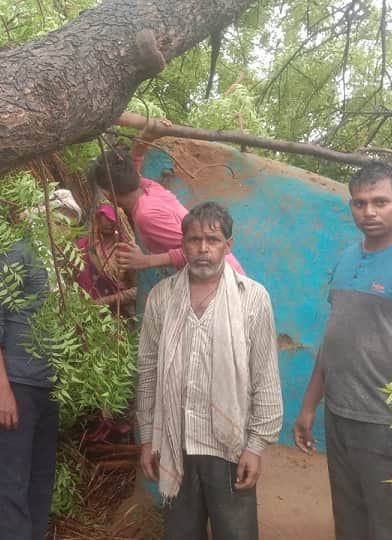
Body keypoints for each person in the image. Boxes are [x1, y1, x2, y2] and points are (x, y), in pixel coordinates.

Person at [292, 162, 392, 540]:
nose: (370, 212)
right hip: (340, 416)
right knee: (348, 521)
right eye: (360, 203)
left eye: (381, 201)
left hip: (387, 423)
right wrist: (310, 405)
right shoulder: (347, 259)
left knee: (387, 526)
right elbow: (334, 339)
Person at [136, 201, 283, 540]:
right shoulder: (162, 297)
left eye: (213, 240)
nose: (203, 249)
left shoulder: (253, 298)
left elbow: (265, 376)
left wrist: (256, 447)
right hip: (176, 444)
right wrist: (147, 438)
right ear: (182, 245)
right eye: (194, 240)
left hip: (229, 447)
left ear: (228, 246)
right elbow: (147, 371)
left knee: (236, 533)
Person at [0, 198, 80, 540]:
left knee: (40, 476)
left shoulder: (60, 266)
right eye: (59, 218)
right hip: (15, 385)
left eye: (70, 221)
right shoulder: (18, 255)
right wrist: (2, 390)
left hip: (46, 388)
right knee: (12, 480)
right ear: (41, 218)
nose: (64, 227)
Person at [86, 122, 245, 317]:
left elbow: (197, 252)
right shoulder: (149, 188)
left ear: (108, 193)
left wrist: (145, 261)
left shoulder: (147, 215)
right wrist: (146, 136)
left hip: (221, 285)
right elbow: (133, 165)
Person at [74, 202, 138, 317]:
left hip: (120, 315)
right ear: (96, 221)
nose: (108, 223)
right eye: (104, 220)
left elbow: (137, 290)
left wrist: (107, 301)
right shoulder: (83, 246)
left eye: (111, 220)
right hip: (87, 313)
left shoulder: (126, 249)